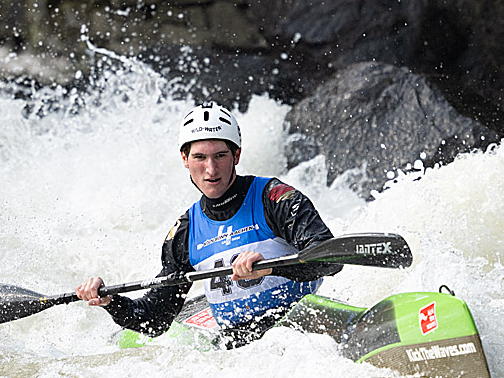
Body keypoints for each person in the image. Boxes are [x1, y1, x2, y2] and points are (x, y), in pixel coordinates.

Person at [76, 102, 342, 348]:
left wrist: (270, 267)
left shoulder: (274, 197)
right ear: (184, 159)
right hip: (238, 346)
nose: (211, 170)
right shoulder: (185, 231)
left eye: (220, 156)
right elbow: (156, 319)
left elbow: (331, 257)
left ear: (236, 155)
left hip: (300, 328)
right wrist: (110, 302)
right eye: (200, 157)